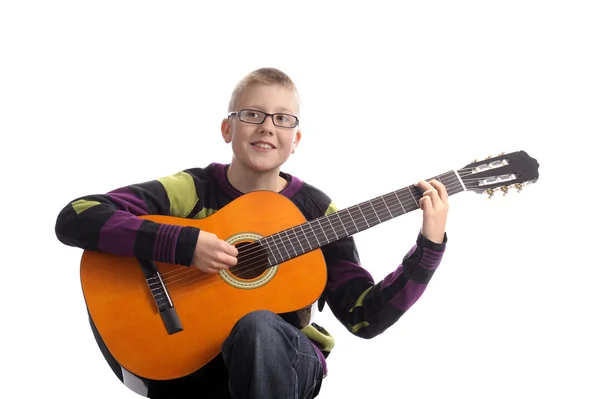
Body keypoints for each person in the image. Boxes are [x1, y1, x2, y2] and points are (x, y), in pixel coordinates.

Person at [55, 67, 450, 399]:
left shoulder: (315, 212)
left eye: (283, 118)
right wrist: (184, 245)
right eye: (253, 114)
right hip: (189, 363)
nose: (267, 127)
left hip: (285, 364)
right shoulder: (193, 189)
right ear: (228, 128)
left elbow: (365, 318)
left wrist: (428, 248)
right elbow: (78, 215)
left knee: (258, 326)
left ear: (295, 141)